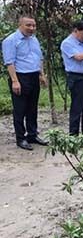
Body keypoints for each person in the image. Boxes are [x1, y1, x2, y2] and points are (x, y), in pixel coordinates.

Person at [2, 15, 48, 151]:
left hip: (34, 76)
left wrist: (41, 74)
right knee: (20, 109)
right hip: (20, 77)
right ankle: (20, 138)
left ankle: (32, 135)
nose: (31, 28)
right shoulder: (10, 40)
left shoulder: (34, 39)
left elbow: (39, 58)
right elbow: (9, 62)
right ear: (20, 25)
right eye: (28, 25)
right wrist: (15, 81)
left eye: (33, 26)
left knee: (32, 108)